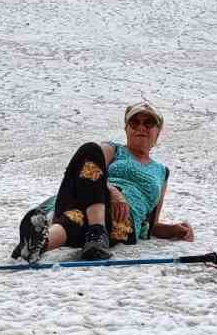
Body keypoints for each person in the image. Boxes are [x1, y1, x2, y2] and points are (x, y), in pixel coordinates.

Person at [11, 101, 196, 262]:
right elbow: (85, 169)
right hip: (92, 200)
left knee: (76, 217)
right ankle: (96, 235)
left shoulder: (162, 172)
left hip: (124, 222)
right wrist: (113, 192)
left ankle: (38, 245)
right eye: (134, 122)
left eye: (149, 123)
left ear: (158, 132)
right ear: (126, 129)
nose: (141, 127)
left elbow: (151, 224)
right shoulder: (114, 150)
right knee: (90, 150)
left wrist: (174, 230)